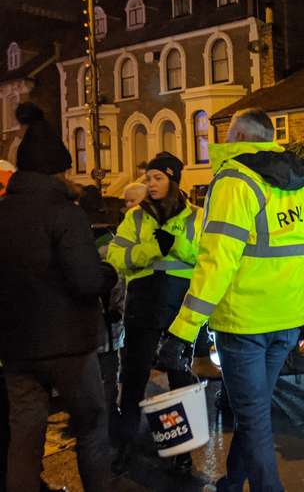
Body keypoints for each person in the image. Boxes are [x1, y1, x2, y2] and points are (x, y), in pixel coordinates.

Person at [159, 108, 304, 492]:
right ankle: (232, 483)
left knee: (252, 418)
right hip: (288, 319)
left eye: (229, 136)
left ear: (239, 138)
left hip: (244, 324)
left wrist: (182, 331)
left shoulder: (234, 182)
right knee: (255, 413)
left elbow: (216, 264)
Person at [0, 119, 117, 492]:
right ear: (58, 170)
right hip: (68, 345)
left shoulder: (4, 212)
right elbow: (85, 280)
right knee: (92, 424)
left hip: (16, 344)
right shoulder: (65, 212)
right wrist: (107, 275)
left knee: (24, 433)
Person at [106, 152, 203, 475]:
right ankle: (126, 444)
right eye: (148, 178)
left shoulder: (194, 217)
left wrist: (174, 245)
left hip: (179, 306)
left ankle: (181, 451)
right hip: (143, 306)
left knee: (179, 378)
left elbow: (204, 255)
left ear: (173, 180)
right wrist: (151, 250)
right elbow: (117, 257)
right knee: (133, 378)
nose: (151, 184)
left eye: (158, 177)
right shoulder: (134, 217)